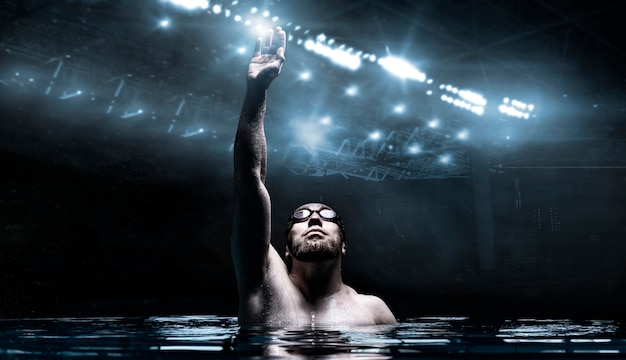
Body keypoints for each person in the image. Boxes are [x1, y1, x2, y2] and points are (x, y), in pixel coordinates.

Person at [232, 26, 396, 327]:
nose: (315, 219)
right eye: (301, 216)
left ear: (344, 243)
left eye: (327, 215)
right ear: (284, 247)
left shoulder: (373, 312)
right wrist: (257, 91)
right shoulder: (264, 283)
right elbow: (249, 180)